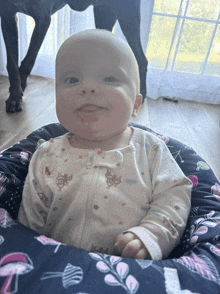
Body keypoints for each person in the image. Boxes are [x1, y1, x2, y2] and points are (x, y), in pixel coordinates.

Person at [18, 29, 192, 260]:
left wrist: (152, 234)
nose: (88, 87)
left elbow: (175, 193)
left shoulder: (151, 149)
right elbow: (29, 223)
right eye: (72, 79)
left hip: (129, 271)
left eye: (109, 78)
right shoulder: (45, 155)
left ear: (136, 104)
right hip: (57, 270)